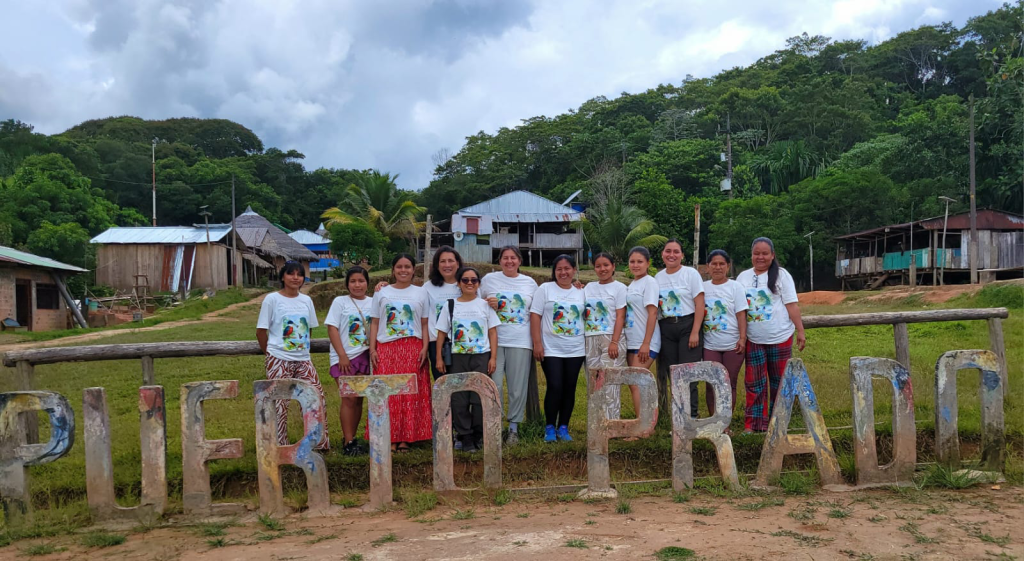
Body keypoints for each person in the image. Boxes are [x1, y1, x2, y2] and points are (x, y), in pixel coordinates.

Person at [256, 261, 328, 450]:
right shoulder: (272, 299)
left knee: (315, 396)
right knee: (280, 403)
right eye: (291, 274)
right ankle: (280, 445)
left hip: (303, 358)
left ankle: (318, 442)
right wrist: (271, 353)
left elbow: (309, 330)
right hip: (278, 357)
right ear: (282, 277)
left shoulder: (306, 301)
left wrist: (303, 349)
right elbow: (261, 331)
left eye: (299, 274)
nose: (296, 278)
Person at [737, 237, 806, 433]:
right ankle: (754, 425)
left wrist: (800, 330)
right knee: (754, 383)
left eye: (764, 253)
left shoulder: (782, 276)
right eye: (756, 253)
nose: (760, 257)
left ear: (772, 255)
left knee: (779, 382)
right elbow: (739, 309)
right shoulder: (742, 277)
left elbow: (791, 305)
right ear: (751, 255)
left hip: (780, 337)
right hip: (753, 339)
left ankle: (779, 423)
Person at [367, 254, 433, 452]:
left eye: (407, 267)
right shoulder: (382, 292)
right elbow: (375, 322)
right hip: (386, 347)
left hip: (413, 347)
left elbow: (424, 323)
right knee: (387, 392)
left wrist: (424, 347)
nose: (403, 270)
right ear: (393, 270)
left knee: (410, 392)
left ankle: (407, 437)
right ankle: (389, 435)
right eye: (399, 267)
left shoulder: (421, 293)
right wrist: (372, 349)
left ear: (414, 270)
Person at [435, 266, 500, 453]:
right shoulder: (450, 305)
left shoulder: (485, 305)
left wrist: (493, 357)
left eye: (473, 280)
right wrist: (439, 357)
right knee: (459, 397)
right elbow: (441, 333)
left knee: (480, 396)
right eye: (465, 280)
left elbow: (492, 332)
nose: (470, 283)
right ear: (458, 283)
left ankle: (479, 433)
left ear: (479, 284)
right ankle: (465, 435)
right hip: (458, 357)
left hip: (481, 355)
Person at [481, 246, 538, 445]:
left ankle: (513, 428)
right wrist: (488, 304)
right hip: (493, 341)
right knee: (493, 385)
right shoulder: (489, 280)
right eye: (505, 258)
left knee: (517, 387)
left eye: (513, 258)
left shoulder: (530, 283)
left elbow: (538, 309)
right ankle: (494, 426)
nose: (509, 261)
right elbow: (474, 302)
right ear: (500, 261)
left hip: (521, 340)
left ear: (519, 261)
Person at [530, 254, 586, 442]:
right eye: (559, 269)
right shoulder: (545, 289)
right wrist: (537, 343)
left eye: (567, 268)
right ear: (554, 272)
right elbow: (535, 316)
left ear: (574, 270)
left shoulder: (581, 292)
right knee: (555, 386)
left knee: (570, 388)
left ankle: (563, 427)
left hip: (576, 349)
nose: (563, 272)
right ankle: (549, 427)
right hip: (550, 348)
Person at [325, 266, 373, 456]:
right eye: (353, 281)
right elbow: (332, 328)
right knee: (348, 398)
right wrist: (342, 355)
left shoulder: (374, 301)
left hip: (364, 356)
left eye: (361, 281)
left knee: (359, 398)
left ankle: (353, 438)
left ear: (367, 283)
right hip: (344, 358)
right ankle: (348, 440)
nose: (357, 285)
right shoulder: (340, 302)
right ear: (347, 284)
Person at [655, 239, 705, 418]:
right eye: (668, 251)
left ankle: (691, 416)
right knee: (672, 374)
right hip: (666, 327)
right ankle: (678, 417)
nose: (672, 255)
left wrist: (694, 332)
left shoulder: (690, 274)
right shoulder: (658, 278)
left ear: (682, 255)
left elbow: (700, 304)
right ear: (662, 254)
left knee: (688, 373)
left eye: (676, 251)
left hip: (687, 326)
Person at [701, 250, 747, 428]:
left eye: (722, 264)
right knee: (712, 383)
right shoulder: (703, 287)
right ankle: (714, 423)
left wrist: (742, 338)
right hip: (710, 344)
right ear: (708, 267)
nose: (718, 267)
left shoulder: (735, 287)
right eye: (714, 264)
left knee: (729, 384)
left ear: (728, 266)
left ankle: (725, 424)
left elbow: (741, 314)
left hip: (732, 344)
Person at [583, 252, 627, 420]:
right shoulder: (589, 288)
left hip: (611, 338)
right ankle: (597, 421)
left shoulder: (620, 288)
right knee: (594, 381)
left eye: (606, 265)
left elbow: (620, 316)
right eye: (598, 266)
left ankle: (612, 422)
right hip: (591, 338)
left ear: (613, 267)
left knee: (610, 382)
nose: (602, 269)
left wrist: (614, 342)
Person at [624, 246, 661, 431]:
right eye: (632, 261)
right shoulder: (632, 285)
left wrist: (646, 343)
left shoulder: (650, 283)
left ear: (648, 263)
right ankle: (645, 423)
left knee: (636, 382)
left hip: (645, 342)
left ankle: (644, 428)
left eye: (640, 261)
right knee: (635, 384)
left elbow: (652, 313)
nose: (636, 265)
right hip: (631, 340)